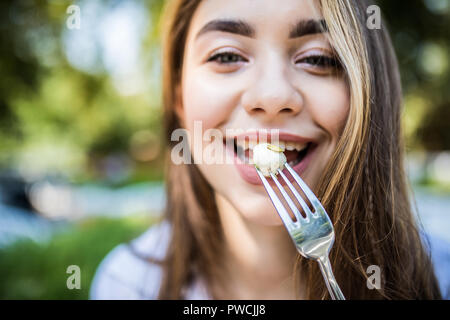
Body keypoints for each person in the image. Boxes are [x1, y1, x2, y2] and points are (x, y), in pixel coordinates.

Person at [90, 0, 444, 299]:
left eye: (318, 59)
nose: (272, 96)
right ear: (179, 97)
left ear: (370, 92)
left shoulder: (439, 280)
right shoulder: (128, 285)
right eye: (227, 55)